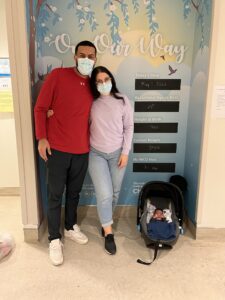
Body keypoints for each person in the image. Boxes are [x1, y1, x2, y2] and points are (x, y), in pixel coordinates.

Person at [34, 40, 97, 266]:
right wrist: (42, 138)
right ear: (75, 56)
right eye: (82, 55)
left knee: (74, 193)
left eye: (91, 56)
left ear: (95, 59)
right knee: (54, 194)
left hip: (82, 150)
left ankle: (70, 226)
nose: (86, 60)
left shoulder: (95, 85)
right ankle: (54, 238)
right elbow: (41, 108)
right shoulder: (58, 76)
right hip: (57, 149)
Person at [88, 66, 134, 255]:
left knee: (114, 193)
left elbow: (129, 126)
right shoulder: (91, 102)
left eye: (106, 79)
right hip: (95, 153)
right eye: (99, 81)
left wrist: (125, 152)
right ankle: (108, 233)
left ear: (112, 79)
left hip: (117, 153)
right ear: (94, 84)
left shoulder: (122, 100)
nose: (103, 83)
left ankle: (105, 221)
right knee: (105, 194)